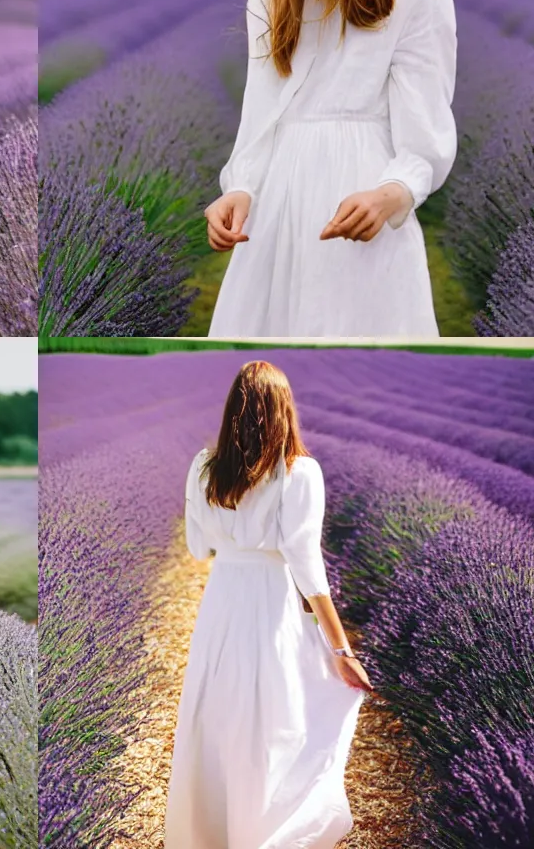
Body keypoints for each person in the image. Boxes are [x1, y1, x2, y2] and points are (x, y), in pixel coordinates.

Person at [204, 0, 457, 339]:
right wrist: (241, 189)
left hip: (361, 206)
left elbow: (425, 134)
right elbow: (261, 120)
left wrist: (391, 194)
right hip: (277, 212)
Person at [164, 360, 372, 848]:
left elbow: (198, 548)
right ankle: (264, 833)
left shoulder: (202, 467)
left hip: (222, 602)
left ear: (232, 407)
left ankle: (210, 834)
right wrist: (342, 650)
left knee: (217, 714)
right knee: (275, 719)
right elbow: (307, 567)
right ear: (284, 411)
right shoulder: (300, 473)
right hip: (271, 601)